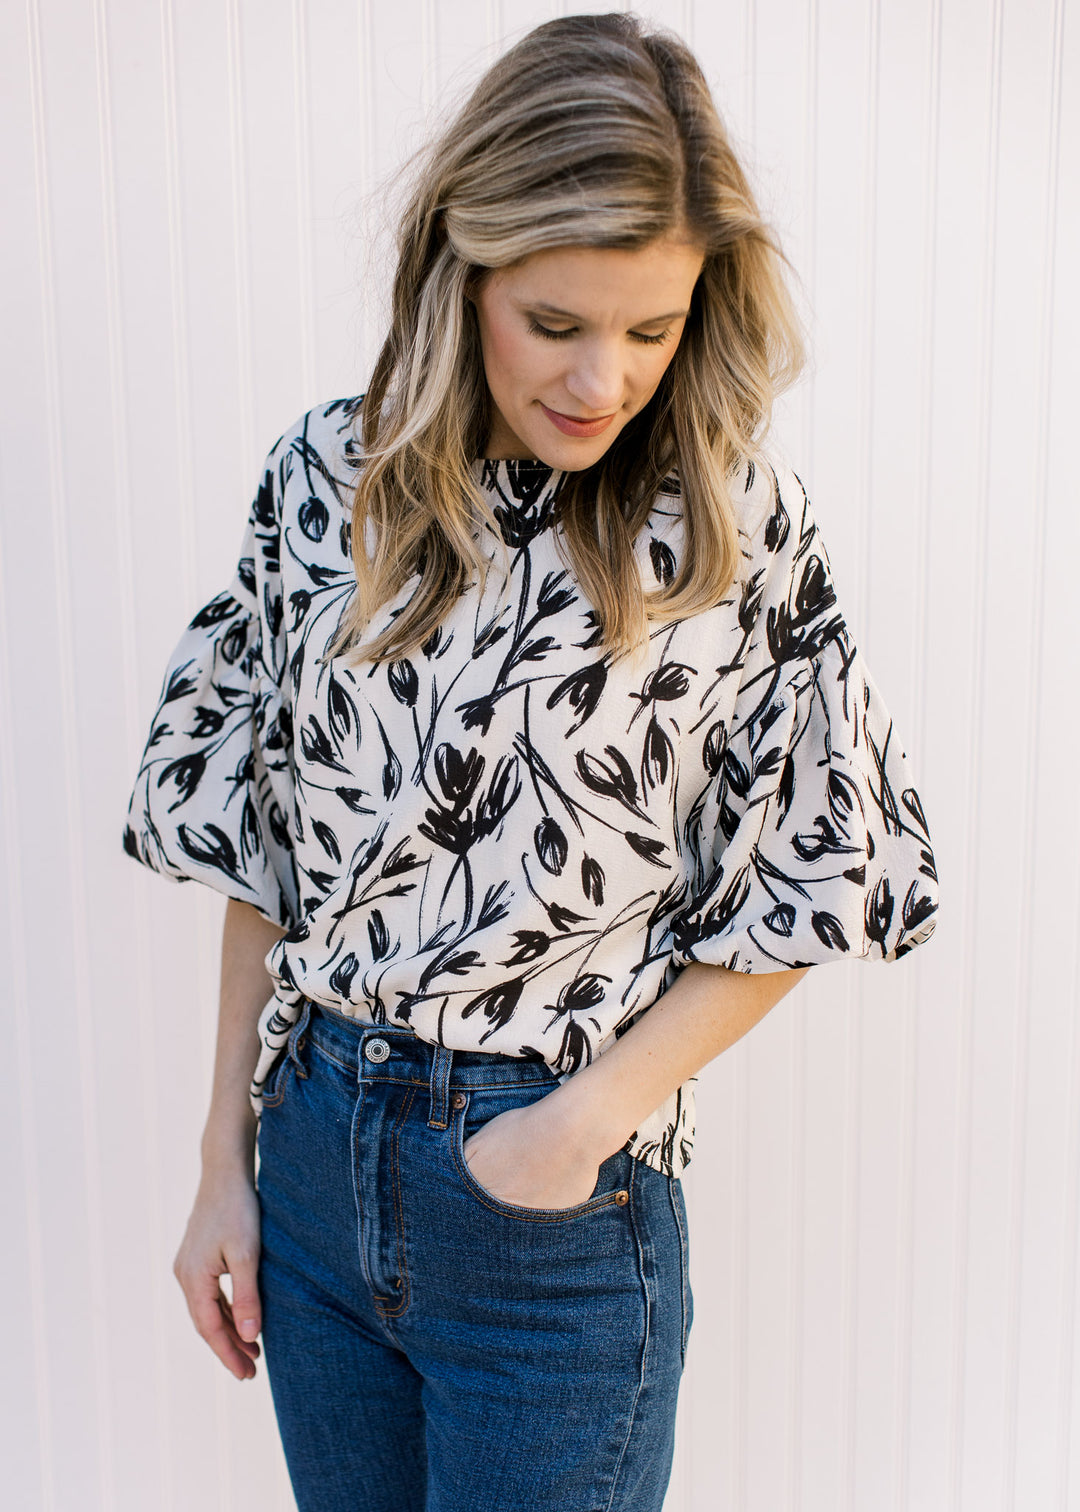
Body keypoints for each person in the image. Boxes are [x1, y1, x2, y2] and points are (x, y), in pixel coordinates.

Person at [122, 12, 940, 1510]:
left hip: (548, 1228)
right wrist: (220, 1161)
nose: (604, 379)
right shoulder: (328, 482)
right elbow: (262, 838)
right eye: (555, 324)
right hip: (310, 1168)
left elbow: (821, 876)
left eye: (652, 327)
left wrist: (572, 1130)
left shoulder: (734, 530)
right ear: (464, 269)